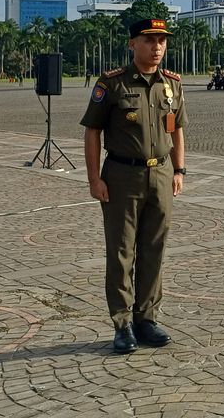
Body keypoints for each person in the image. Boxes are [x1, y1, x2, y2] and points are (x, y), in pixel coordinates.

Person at [81, 18, 187, 354]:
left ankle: (147, 319)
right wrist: (94, 178)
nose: (157, 47)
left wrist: (179, 169)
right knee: (122, 252)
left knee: (154, 249)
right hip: (121, 176)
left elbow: (176, 130)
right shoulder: (112, 84)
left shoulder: (171, 85)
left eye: (162, 41)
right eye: (149, 40)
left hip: (160, 174)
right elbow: (92, 131)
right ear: (132, 44)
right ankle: (122, 323)